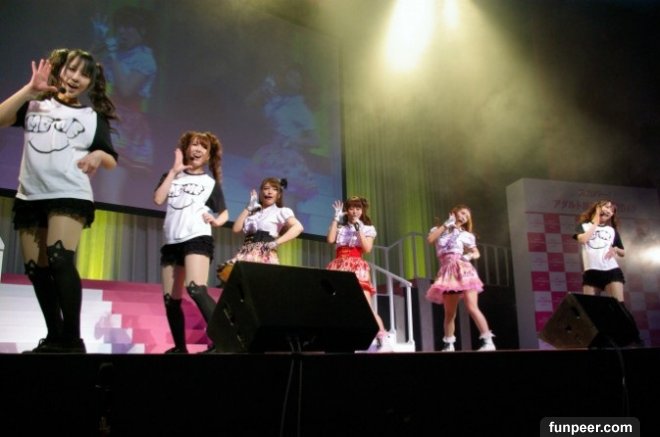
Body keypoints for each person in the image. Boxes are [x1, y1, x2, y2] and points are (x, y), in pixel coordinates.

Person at [0, 48, 118, 353]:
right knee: (35, 269)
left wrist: (98, 155)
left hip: (69, 193)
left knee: (60, 258)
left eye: (84, 75)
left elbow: (110, 158)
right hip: (31, 195)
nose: (75, 78)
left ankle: (73, 340)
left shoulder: (92, 117)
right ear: (59, 70)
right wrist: (28, 90)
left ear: (91, 83)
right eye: (71, 69)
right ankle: (55, 335)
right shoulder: (34, 105)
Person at [154, 131, 228, 354]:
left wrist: (216, 221)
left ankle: (223, 341)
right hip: (172, 241)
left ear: (208, 156)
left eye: (203, 147)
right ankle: (180, 348)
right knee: (170, 299)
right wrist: (173, 171)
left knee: (196, 288)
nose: (197, 149)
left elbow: (224, 213)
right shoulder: (172, 176)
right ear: (186, 149)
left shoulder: (209, 183)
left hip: (197, 236)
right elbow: (158, 199)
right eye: (194, 145)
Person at [90, 6, 158, 202]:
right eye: (120, 26)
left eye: (129, 27)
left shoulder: (145, 58)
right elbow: (83, 70)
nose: (122, 31)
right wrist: (97, 43)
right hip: (102, 116)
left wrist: (112, 53)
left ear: (142, 30)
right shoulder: (115, 51)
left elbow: (127, 89)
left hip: (123, 125)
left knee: (108, 191)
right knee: (88, 185)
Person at [425, 205, 496, 352]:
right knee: (449, 312)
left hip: (463, 270)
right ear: (454, 212)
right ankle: (449, 344)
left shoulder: (466, 235)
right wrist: (446, 224)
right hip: (447, 272)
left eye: (467, 217)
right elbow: (430, 239)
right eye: (462, 213)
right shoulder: (438, 229)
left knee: (472, 307)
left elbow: (476, 252)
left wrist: (469, 255)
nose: (464, 217)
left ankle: (488, 341)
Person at [326, 196, 391, 352]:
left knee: (366, 306)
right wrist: (335, 219)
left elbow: (367, 248)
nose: (354, 211)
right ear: (346, 211)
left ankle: (382, 338)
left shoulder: (367, 228)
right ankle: (343, 340)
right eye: (351, 208)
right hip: (339, 266)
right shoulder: (341, 228)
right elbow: (330, 240)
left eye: (358, 208)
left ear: (362, 211)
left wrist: (358, 228)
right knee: (340, 306)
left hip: (356, 266)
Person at [217, 177, 303, 282]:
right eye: (266, 188)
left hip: (264, 254)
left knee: (260, 285)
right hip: (245, 254)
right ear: (261, 193)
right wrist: (249, 207)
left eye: (274, 189)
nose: (269, 192)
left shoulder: (281, 211)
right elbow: (236, 228)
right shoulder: (254, 214)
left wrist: (276, 242)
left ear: (279, 195)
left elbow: (298, 227)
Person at [573, 200, 626, 302]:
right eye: (607, 207)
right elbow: (583, 240)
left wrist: (615, 249)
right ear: (597, 208)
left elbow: (623, 253)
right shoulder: (583, 226)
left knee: (618, 305)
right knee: (590, 307)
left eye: (612, 210)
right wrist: (596, 222)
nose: (609, 211)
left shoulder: (611, 230)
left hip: (611, 270)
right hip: (591, 272)